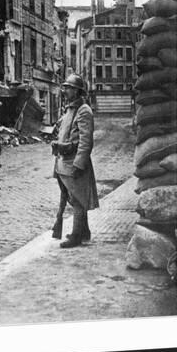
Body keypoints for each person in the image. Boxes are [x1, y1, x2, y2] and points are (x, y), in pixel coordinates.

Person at [51, 73, 99, 248]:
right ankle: (84, 231)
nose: (66, 90)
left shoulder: (84, 110)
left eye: (69, 88)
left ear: (78, 91)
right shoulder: (69, 109)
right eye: (65, 87)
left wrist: (79, 163)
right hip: (64, 161)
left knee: (78, 200)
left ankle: (77, 235)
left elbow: (86, 141)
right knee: (73, 197)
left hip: (74, 163)